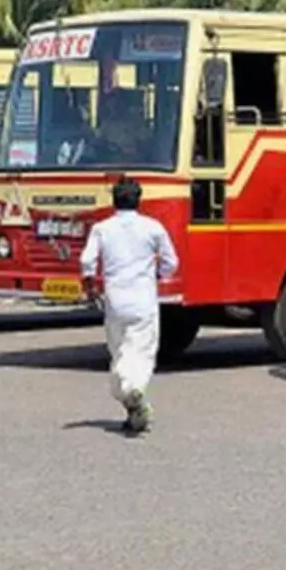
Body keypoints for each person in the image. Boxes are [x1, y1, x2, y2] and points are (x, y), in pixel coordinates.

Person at [80, 177, 179, 435]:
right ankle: (133, 392)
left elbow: (87, 261)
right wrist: (157, 275)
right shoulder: (152, 228)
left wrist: (91, 288)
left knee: (119, 351)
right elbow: (171, 262)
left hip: (114, 300)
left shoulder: (102, 228)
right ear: (139, 200)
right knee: (141, 352)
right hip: (143, 299)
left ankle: (129, 405)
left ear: (114, 200)